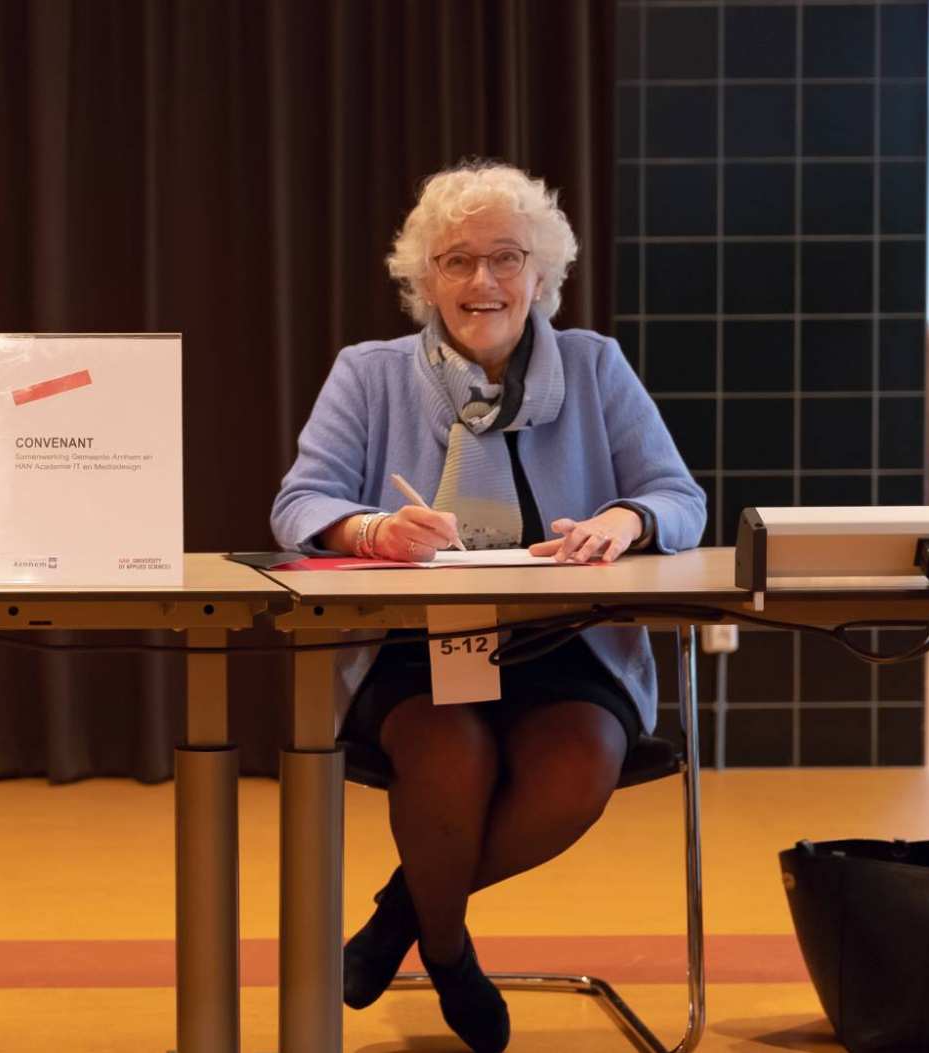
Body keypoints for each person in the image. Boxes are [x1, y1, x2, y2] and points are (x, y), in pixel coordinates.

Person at [269, 161, 705, 1052]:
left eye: (505, 257)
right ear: (423, 280)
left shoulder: (595, 367)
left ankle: (405, 919)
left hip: (566, 646)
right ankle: (451, 949)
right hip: (417, 648)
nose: (482, 282)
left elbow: (678, 496)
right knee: (447, 754)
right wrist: (369, 529)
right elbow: (299, 504)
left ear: (541, 274)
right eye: (456, 261)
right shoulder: (370, 373)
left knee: (579, 767)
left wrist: (627, 518)